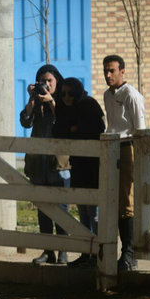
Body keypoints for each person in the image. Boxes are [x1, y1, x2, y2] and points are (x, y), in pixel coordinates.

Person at [20, 64, 70, 265]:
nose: (46, 84)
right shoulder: (36, 102)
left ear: (57, 81)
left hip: (59, 163)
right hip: (38, 162)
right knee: (43, 208)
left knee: (61, 207)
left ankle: (63, 251)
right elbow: (25, 122)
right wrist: (32, 101)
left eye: (50, 80)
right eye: (43, 81)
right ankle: (47, 251)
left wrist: (52, 102)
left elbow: (65, 121)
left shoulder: (64, 100)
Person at [54, 77, 105, 268]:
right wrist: (72, 129)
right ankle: (87, 253)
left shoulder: (88, 104)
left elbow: (97, 129)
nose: (66, 97)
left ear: (78, 92)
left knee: (94, 211)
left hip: (92, 166)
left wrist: (75, 130)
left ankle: (100, 252)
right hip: (78, 165)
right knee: (83, 211)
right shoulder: (66, 108)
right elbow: (58, 131)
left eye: (70, 93)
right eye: (63, 93)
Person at [102, 55, 145, 272]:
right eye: (106, 71)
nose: (108, 75)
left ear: (122, 71)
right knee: (114, 200)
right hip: (111, 147)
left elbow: (139, 128)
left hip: (128, 147)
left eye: (112, 71)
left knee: (127, 200)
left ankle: (130, 252)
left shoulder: (131, 95)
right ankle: (118, 250)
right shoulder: (107, 95)